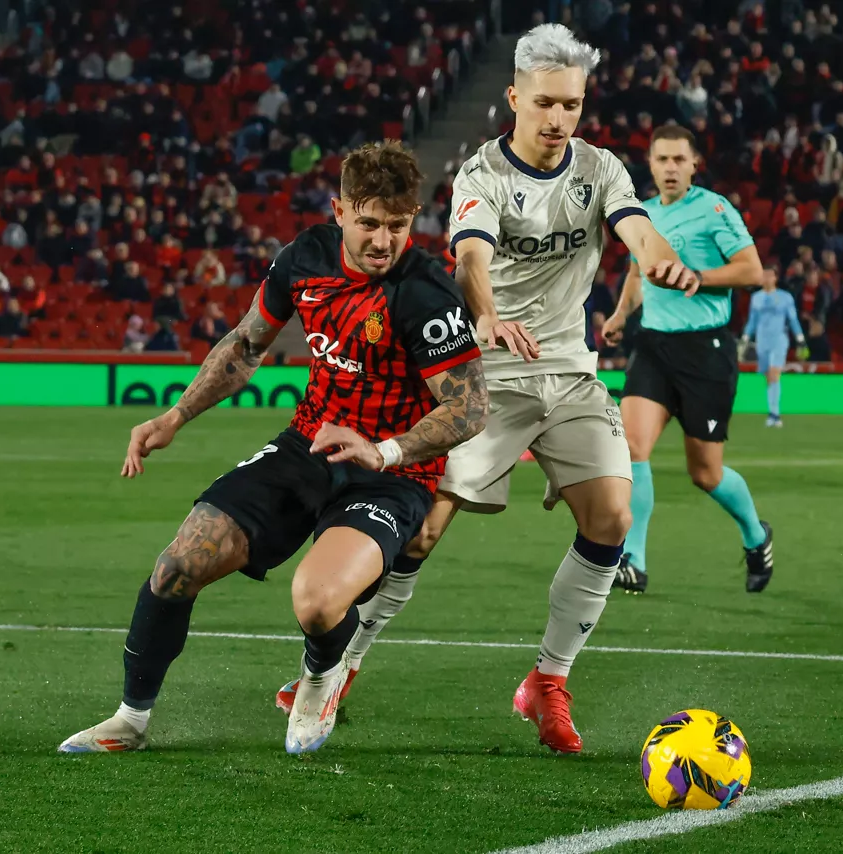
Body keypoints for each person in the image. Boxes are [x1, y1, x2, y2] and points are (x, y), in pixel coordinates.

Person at [275, 24, 696, 755]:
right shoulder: (482, 175)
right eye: (545, 104)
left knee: (612, 517)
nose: (560, 119)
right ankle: (342, 664)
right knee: (425, 529)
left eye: (572, 104)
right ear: (514, 98)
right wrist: (489, 316)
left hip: (568, 370)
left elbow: (636, 228)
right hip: (488, 371)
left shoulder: (600, 169)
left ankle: (548, 682)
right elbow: (472, 255)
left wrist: (662, 260)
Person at [57, 141, 487, 755]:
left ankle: (320, 676)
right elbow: (245, 346)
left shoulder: (425, 293)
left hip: (390, 476)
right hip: (305, 448)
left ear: (413, 218)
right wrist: (176, 415)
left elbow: (470, 407)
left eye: (397, 225)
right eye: (368, 223)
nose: (383, 241)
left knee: (315, 602)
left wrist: (384, 451)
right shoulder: (304, 259)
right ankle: (130, 717)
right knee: (178, 564)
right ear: (339, 211)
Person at [600, 125, 772, 596]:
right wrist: (619, 315)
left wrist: (699, 276)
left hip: (706, 350)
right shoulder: (644, 214)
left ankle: (757, 536)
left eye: (679, 159)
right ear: (650, 164)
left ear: (694, 163)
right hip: (653, 346)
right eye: (662, 160)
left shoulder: (715, 209)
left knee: (705, 473)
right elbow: (637, 273)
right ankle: (633, 559)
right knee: (630, 446)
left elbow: (752, 271)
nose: (671, 168)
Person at [740, 266, 807, 428]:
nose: (767, 278)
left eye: (770, 275)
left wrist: (800, 339)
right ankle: (772, 412)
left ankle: (775, 414)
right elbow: (752, 321)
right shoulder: (756, 298)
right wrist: (745, 338)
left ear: (775, 278)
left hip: (779, 340)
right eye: (764, 275)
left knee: (774, 373)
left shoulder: (785, 297)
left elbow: (793, 319)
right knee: (768, 377)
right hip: (762, 341)